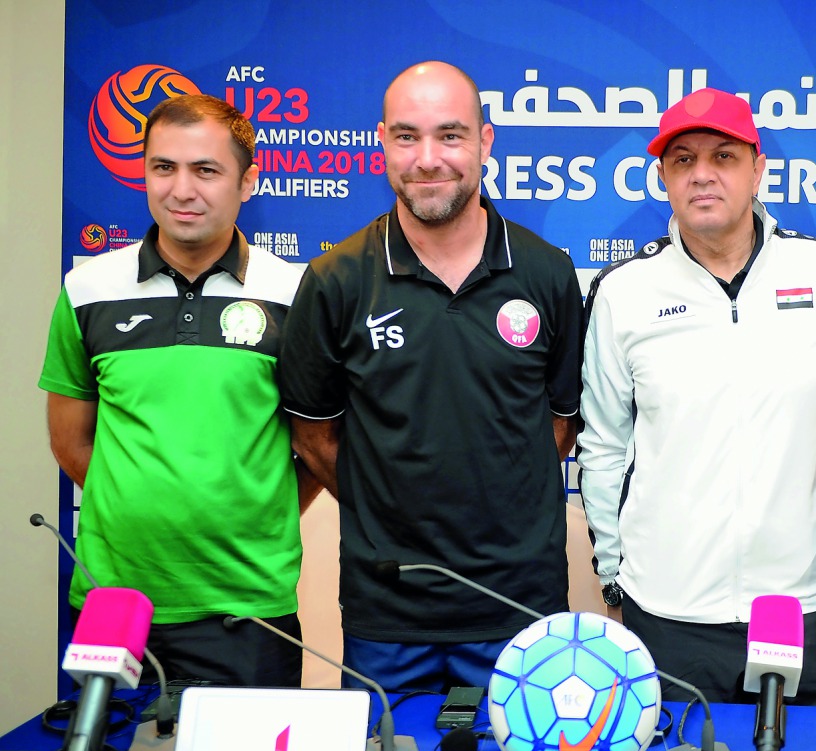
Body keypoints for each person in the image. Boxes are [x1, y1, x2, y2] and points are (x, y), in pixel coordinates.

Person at [278, 61, 582, 692]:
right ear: (383, 141)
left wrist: (497, 493)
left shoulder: (548, 273)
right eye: (407, 136)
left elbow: (560, 423)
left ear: (485, 142)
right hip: (387, 611)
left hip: (518, 606)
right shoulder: (336, 280)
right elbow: (311, 436)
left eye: (450, 135)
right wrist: (390, 503)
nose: (428, 158)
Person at [576, 88, 816, 705]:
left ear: (758, 169)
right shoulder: (624, 292)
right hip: (669, 612)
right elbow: (602, 447)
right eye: (683, 160)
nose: (702, 175)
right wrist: (614, 580)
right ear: (662, 178)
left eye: (723, 157)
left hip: (805, 606)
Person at [40, 94, 317, 686]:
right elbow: (71, 443)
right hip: (112, 606)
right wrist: (147, 502)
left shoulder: (296, 294)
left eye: (206, 170)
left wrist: (249, 515)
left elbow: (317, 449)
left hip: (248, 609)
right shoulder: (87, 289)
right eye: (163, 167)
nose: (181, 190)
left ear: (248, 182)